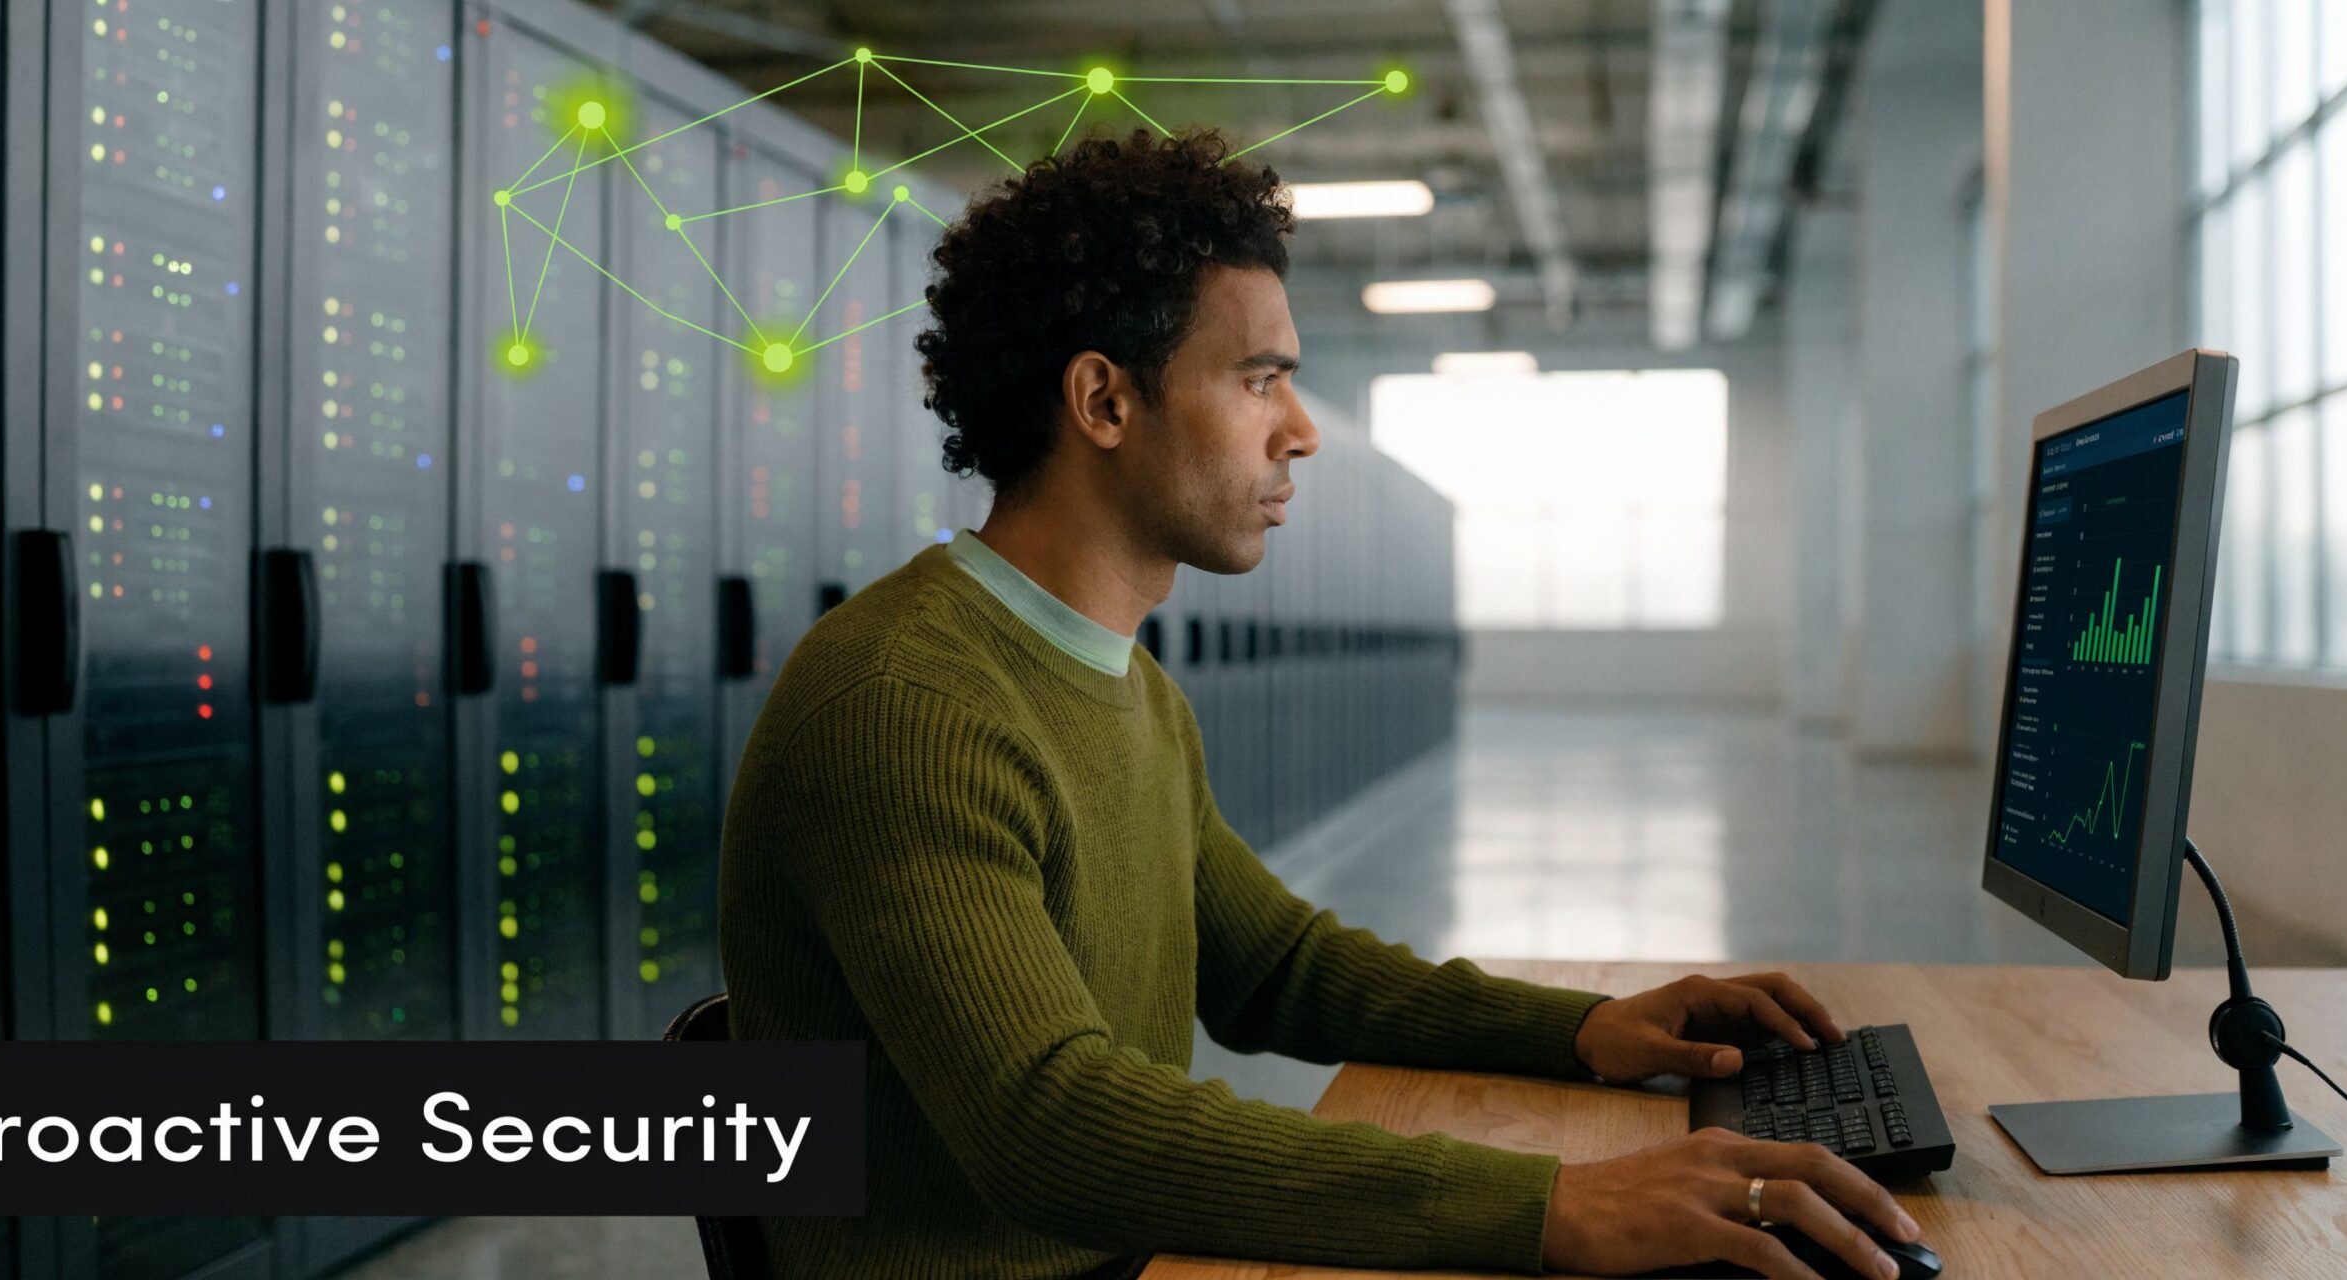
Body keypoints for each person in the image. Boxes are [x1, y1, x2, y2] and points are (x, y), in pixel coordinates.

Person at [717, 126, 1922, 1280]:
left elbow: (1272, 967)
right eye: (1258, 381)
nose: (1300, 431)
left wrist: (1585, 1027)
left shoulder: (1125, 681)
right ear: (1103, 402)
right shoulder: (904, 702)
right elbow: (1052, 1124)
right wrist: (1550, 1202)